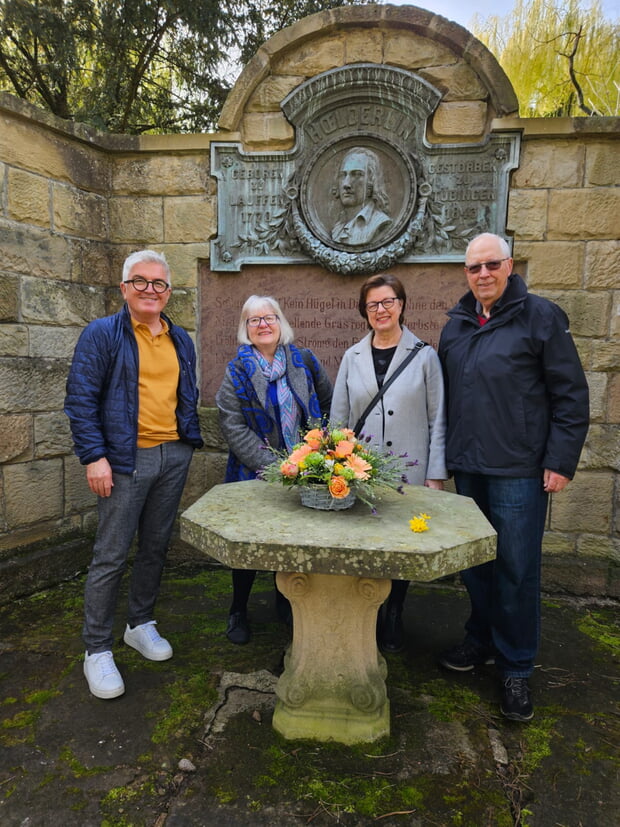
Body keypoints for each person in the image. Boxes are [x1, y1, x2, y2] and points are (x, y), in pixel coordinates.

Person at [438, 232, 589, 722]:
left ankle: (517, 667)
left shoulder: (540, 316)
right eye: (473, 268)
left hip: (520, 470)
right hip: (470, 466)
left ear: (509, 266)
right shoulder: (456, 325)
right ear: (465, 273)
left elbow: (570, 395)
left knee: (517, 570)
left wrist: (560, 461)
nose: (482, 275)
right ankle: (480, 639)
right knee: (476, 565)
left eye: (491, 265)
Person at [65, 250, 203, 700]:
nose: (150, 290)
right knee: (110, 554)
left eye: (159, 283)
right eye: (140, 282)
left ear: (168, 292)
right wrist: (94, 457)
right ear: (124, 288)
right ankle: (97, 649)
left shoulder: (179, 338)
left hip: (172, 457)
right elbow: (81, 399)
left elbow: (185, 392)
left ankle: (140, 624)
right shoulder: (103, 334)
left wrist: (185, 443)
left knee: (155, 547)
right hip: (124, 461)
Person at [330, 273, 447, 653]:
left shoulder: (425, 356)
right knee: (364, 542)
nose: (381, 310)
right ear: (364, 312)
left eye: (388, 302)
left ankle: (395, 611)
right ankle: (365, 612)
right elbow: (339, 419)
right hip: (361, 472)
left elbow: (438, 418)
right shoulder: (352, 357)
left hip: (409, 472)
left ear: (401, 304)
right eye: (372, 304)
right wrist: (335, 467)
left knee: (401, 546)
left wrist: (435, 475)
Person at [216, 295, 333, 645]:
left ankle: (286, 599)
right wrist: (276, 467)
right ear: (245, 329)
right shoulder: (236, 370)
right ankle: (238, 608)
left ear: (281, 323)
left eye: (269, 318)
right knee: (248, 545)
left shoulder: (304, 360)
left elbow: (325, 402)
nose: (263, 324)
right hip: (253, 470)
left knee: (293, 539)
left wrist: (314, 451)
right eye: (254, 320)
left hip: (305, 468)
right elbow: (233, 426)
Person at [331, 148, 392, 246]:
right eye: (343, 175)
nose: (346, 184)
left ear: (371, 181)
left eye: (356, 174)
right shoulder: (338, 226)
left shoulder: (380, 223)